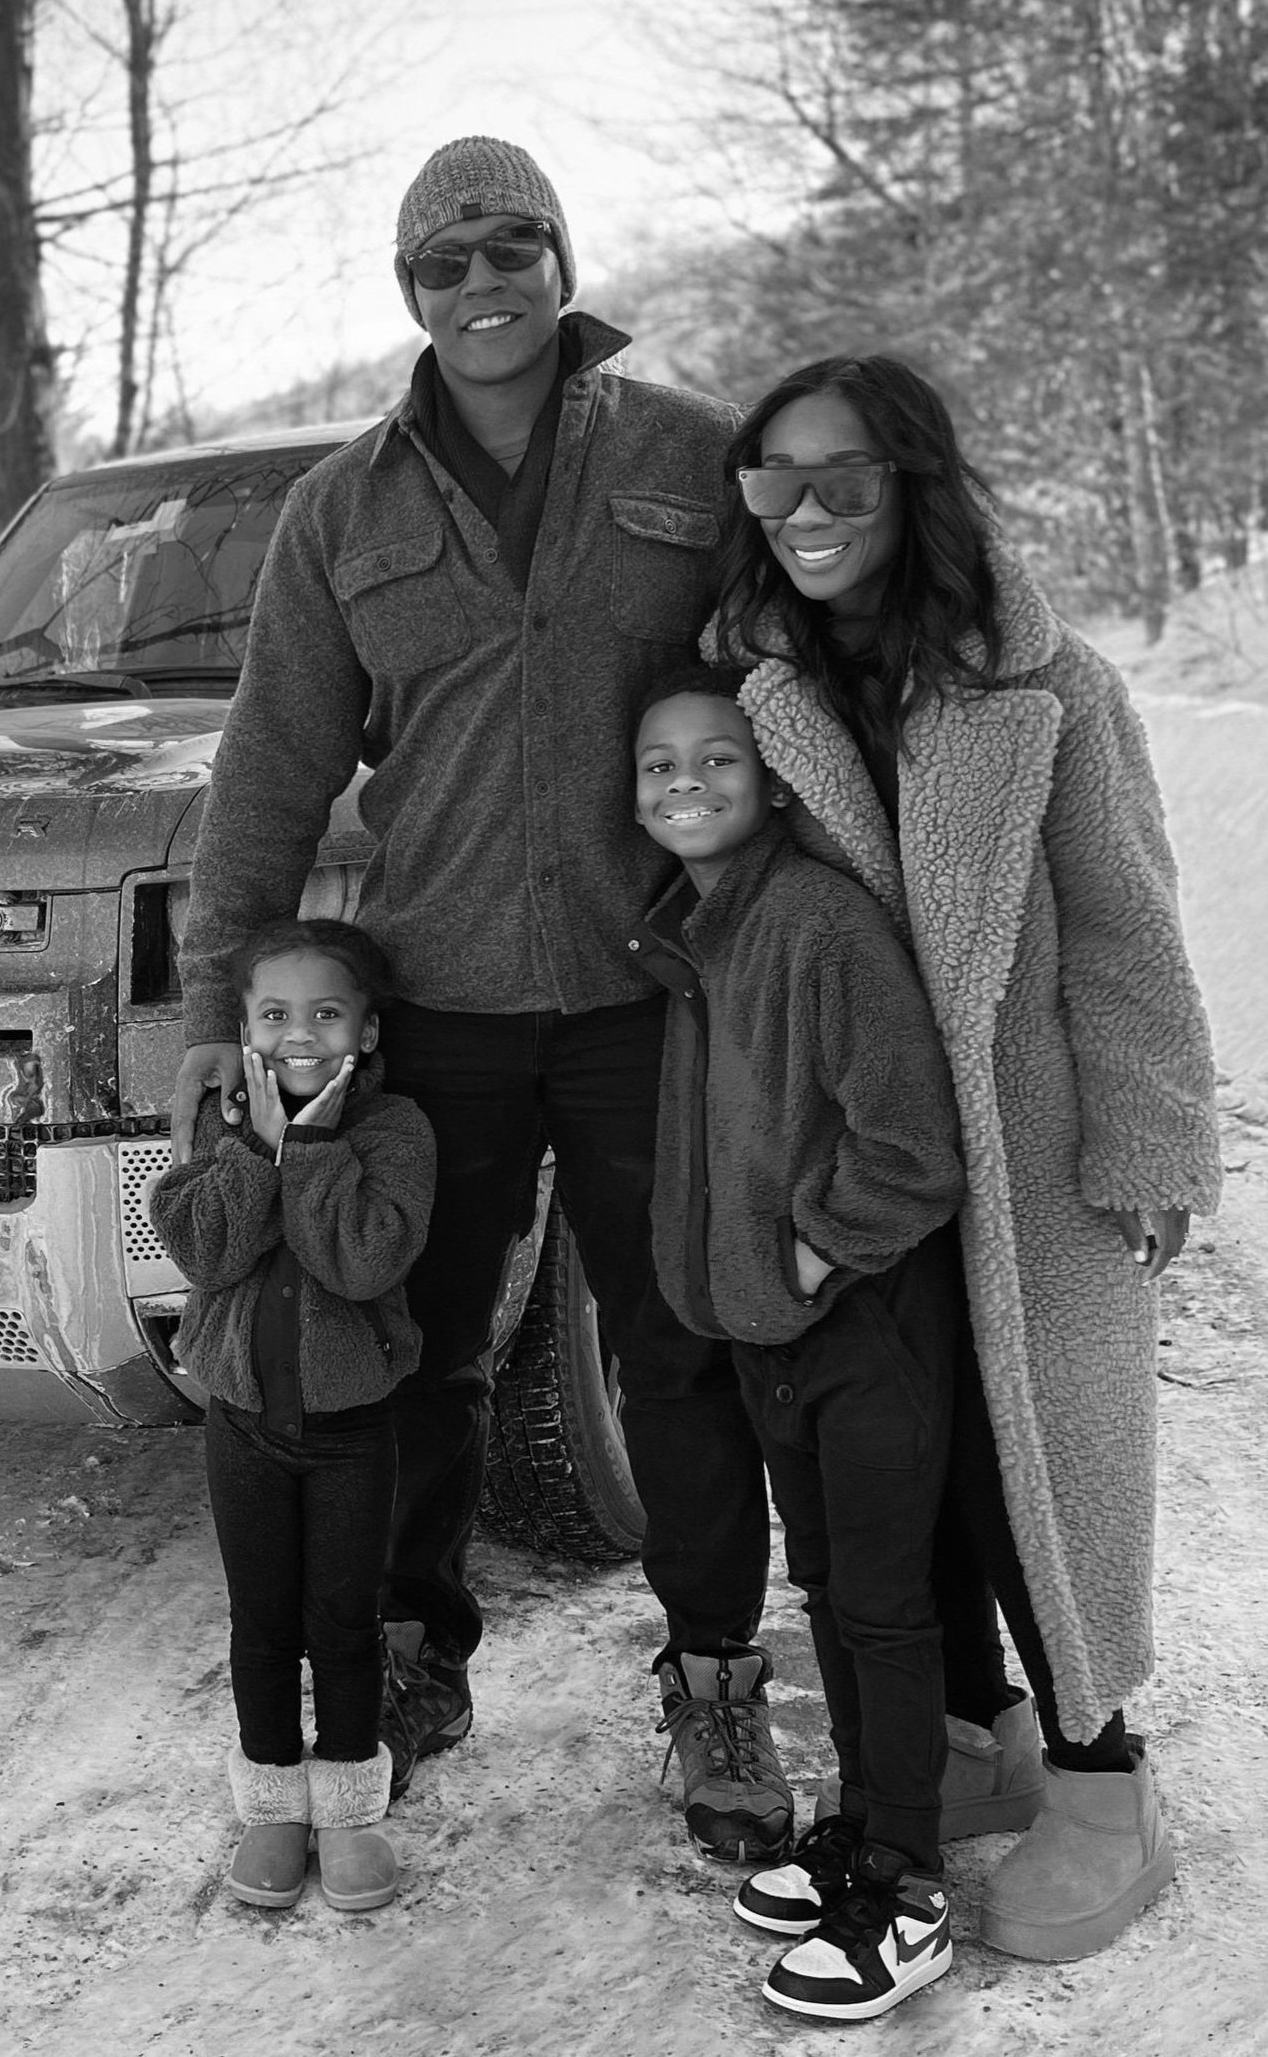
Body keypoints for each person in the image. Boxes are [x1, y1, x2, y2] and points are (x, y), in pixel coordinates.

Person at [170, 136, 790, 1856]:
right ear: (409, 294)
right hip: (435, 1004)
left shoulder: (682, 453)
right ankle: (410, 1648)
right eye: (442, 263)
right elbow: (269, 768)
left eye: (511, 245)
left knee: (678, 1344)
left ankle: (714, 1677)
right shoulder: (341, 510)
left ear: (559, 260)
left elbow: (787, 690)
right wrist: (218, 1005)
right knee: (415, 1348)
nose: (481, 283)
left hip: (642, 991)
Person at [711, 354, 1222, 1962]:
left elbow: (1126, 923)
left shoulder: (1046, 685)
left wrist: (1149, 1137)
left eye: (844, 477)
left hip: (1030, 1149)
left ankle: (1103, 1786)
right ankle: (967, 1733)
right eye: (774, 478)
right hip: (870, 1148)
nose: (805, 511)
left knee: (1040, 1477)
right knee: (910, 1458)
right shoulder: (758, 684)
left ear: (913, 484)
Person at [627, 662, 968, 2021]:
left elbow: (911, 1143)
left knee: (882, 1603)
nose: (685, 780)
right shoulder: (695, 932)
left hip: (859, 1323)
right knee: (825, 1587)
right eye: (658, 762)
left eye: (716, 755)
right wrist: (745, 1287)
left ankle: (909, 1887)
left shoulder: (817, 922)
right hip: (766, 1331)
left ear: (771, 779)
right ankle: (859, 1829)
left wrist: (809, 1256)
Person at [149, 917, 435, 1914]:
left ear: (364, 1028)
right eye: (274, 1014)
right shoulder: (222, 1123)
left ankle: (348, 1807)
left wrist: (307, 1147)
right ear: (244, 1027)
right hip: (243, 1425)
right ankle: (271, 1799)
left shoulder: (394, 1131)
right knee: (263, 1621)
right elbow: (203, 1251)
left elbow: (361, 1260)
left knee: (343, 1620)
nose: (298, 1033)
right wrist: (259, 1151)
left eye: (326, 1012)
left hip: (351, 1432)